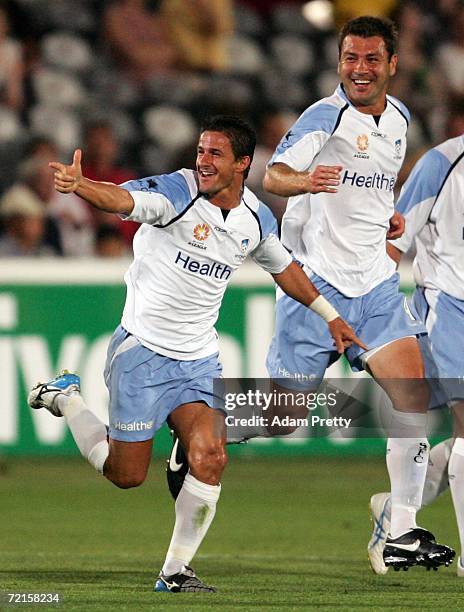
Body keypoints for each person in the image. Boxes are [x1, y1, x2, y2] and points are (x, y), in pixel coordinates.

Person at [28, 115, 364, 593]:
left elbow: (283, 267)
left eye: (215, 154)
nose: (202, 162)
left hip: (198, 361)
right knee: (126, 475)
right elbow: (124, 199)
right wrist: (82, 186)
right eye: (201, 152)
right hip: (142, 354)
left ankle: (175, 571)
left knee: (210, 455)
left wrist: (330, 315)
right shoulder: (176, 194)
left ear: (243, 164)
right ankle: (68, 400)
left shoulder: (254, 217)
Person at [262, 15, 454, 571]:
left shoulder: (399, 118)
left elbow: (371, 185)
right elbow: (274, 175)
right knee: (282, 417)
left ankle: (399, 530)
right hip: (316, 283)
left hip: (373, 284)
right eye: (351, 58)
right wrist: (306, 181)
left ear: (393, 64)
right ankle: (198, 430)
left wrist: (387, 218)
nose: (360, 69)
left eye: (372, 59)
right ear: (339, 61)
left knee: (414, 395)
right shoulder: (325, 115)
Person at [368, 131, 464, 575]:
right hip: (450, 304)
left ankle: (396, 509)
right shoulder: (441, 164)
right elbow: (393, 242)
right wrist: (373, 312)